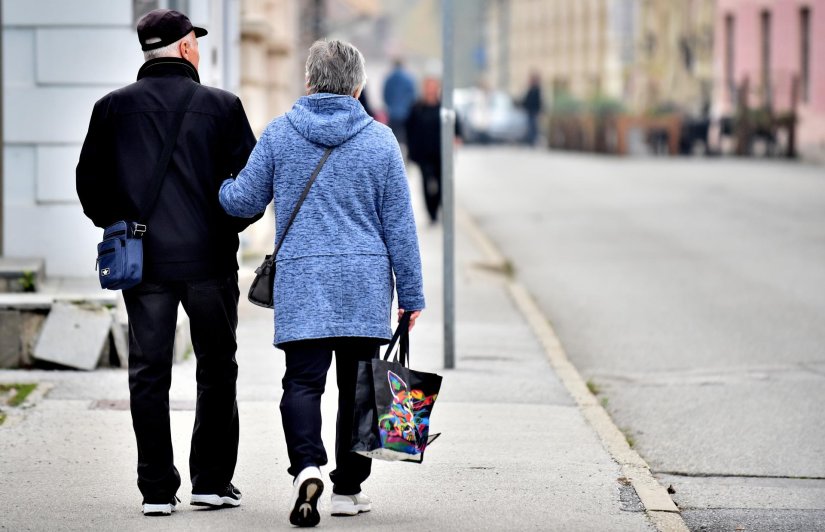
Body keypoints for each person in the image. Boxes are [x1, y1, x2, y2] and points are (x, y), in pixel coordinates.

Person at [219, 39, 425, 528]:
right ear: (358, 87)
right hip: (363, 284)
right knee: (358, 388)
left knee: (303, 382)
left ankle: (306, 467)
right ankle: (347, 491)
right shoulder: (379, 141)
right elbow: (400, 225)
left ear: (308, 81)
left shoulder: (280, 134)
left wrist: (219, 186)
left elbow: (241, 201)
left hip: (304, 281)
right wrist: (411, 295)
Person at [76, 9, 260, 517]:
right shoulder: (222, 107)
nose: (197, 49)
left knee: (149, 374)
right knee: (217, 369)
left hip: (144, 266)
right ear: (183, 49)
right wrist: (227, 228)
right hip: (208, 263)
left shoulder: (111, 108)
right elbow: (251, 188)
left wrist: (120, 226)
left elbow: (89, 186)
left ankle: (157, 489)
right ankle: (211, 481)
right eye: (194, 43)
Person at [405, 77, 462, 223]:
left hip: (441, 153)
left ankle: (439, 208)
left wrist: (457, 136)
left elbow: (455, 123)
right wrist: (411, 150)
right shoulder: (417, 107)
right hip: (424, 153)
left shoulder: (444, 107)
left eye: (433, 86)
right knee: (427, 182)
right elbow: (409, 129)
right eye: (428, 87)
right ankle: (431, 213)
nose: (430, 90)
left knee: (442, 182)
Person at [382, 59, 416, 145]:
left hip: (392, 113)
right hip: (406, 113)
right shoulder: (409, 78)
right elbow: (412, 95)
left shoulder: (389, 78)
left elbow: (385, 94)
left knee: (392, 139)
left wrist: (389, 106)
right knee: (404, 140)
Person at [523, 71, 543, 146]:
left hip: (533, 111)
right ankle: (531, 140)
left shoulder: (536, 89)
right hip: (530, 111)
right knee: (531, 126)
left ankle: (533, 140)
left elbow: (538, 102)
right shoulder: (532, 89)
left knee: (533, 126)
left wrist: (539, 111)